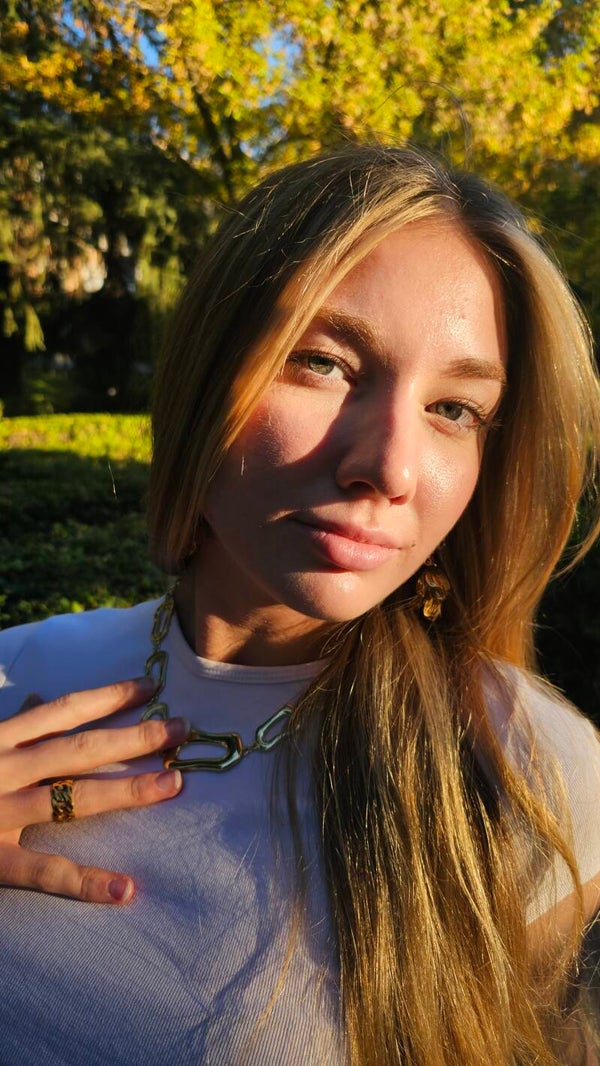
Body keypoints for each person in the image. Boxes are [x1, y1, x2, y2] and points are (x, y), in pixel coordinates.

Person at [0, 144, 599, 1065]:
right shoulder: (17, 671)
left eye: (455, 410)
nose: (390, 469)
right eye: (323, 362)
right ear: (207, 374)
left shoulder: (526, 770)